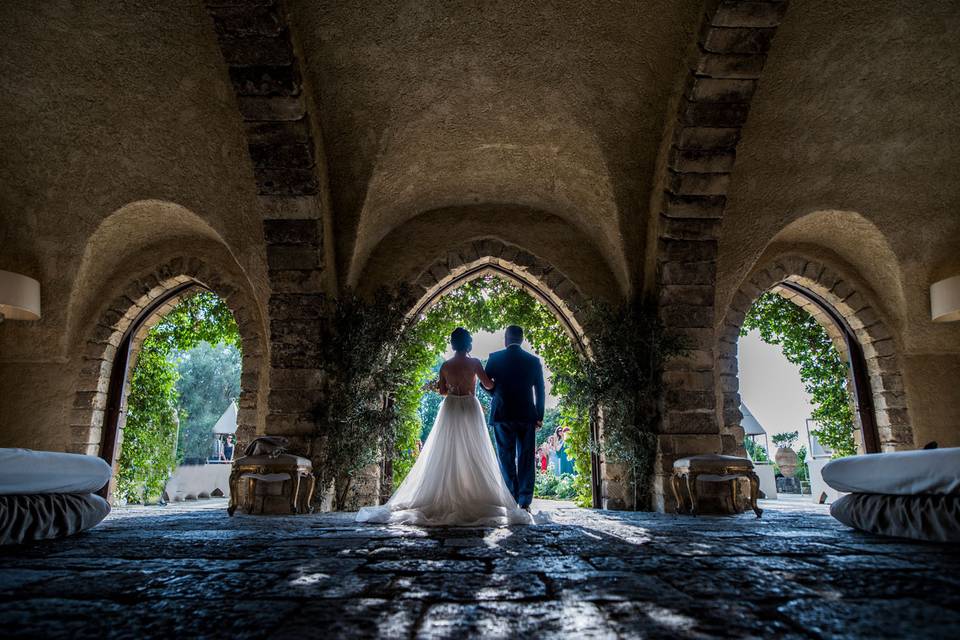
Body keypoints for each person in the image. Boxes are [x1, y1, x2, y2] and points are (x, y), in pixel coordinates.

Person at [356, 327, 533, 526]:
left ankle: (448, 492)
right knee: (474, 450)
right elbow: (489, 385)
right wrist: (495, 381)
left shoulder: (445, 366)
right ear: (468, 344)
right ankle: (474, 492)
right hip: (469, 406)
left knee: (447, 450)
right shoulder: (474, 363)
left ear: (453, 344)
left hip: (450, 408)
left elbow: (441, 391)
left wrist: (450, 386)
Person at [485, 325, 545, 511]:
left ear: (506, 339)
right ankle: (525, 501)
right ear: (521, 339)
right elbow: (540, 390)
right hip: (527, 415)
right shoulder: (533, 361)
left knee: (506, 457)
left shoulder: (495, 358)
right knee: (526, 457)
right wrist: (539, 415)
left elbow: (484, 384)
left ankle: (511, 497)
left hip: (502, 414)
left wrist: (498, 394)